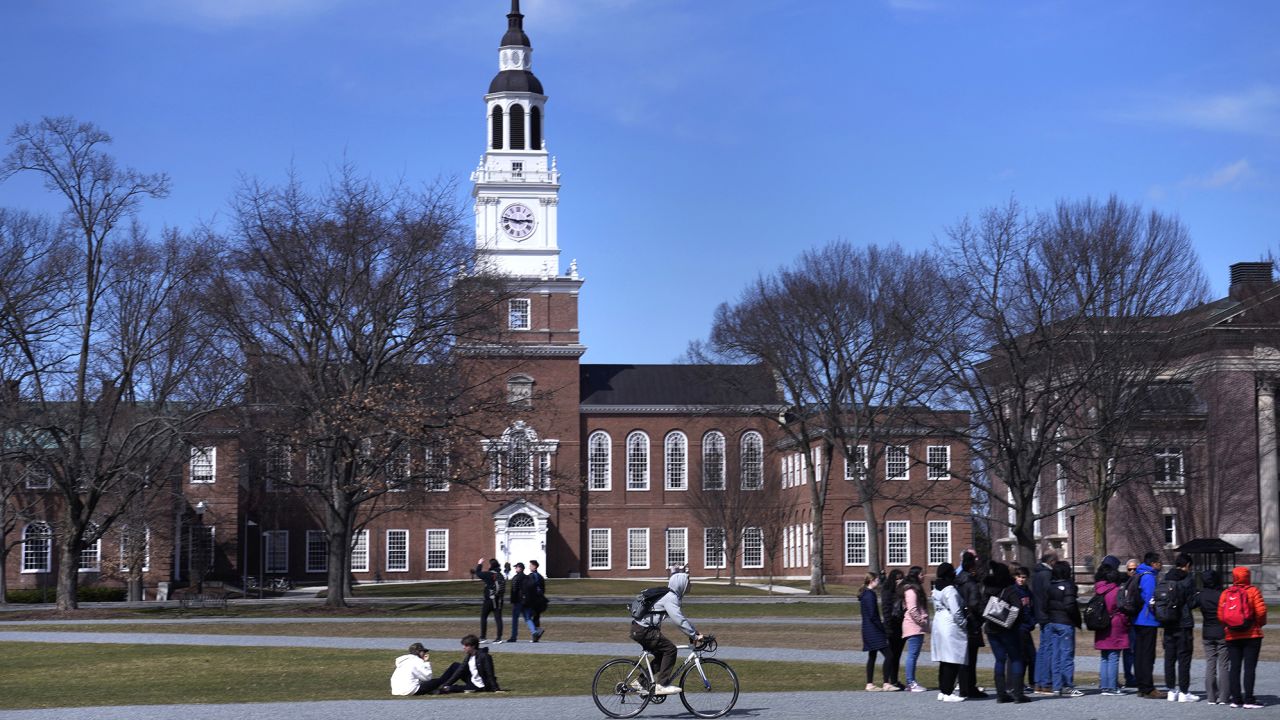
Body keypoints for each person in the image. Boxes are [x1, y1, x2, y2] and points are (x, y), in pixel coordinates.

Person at [631, 565, 704, 696]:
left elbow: (681, 619)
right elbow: (679, 620)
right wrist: (693, 635)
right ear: (682, 584)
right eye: (689, 582)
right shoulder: (671, 597)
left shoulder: (670, 596)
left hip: (640, 629)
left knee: (661, 656)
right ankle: (661, 685)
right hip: (644, 630)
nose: (691, 585)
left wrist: (694, 632)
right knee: (670, 650)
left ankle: (640, 682)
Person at [1219, 566, 1266, 709]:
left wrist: (1229, 625)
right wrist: (1258, 624)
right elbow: (1261, 611)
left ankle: (1236, 699)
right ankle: (1249, 699)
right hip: (1252, 634)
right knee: (1249, 668)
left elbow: (1221, 615)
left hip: (1232, 635)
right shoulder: (1253, 591)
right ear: (1248, 577)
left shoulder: (1226, 593)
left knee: (1235, 667)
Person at [983, 561, 1028, 703]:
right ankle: (1018, 693)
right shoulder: (1009, 590)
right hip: (1007, 630)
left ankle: (1001, 693)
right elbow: (1017, 608)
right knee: (1016, 658)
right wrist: (1009, 623)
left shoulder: (987, 589)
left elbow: (981, 607)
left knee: (999, 660)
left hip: (991, 628)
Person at [1160, 553, 1198, 702]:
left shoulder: (1166, 577)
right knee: (1184, 658)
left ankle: (1171, 690)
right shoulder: (1188, 579)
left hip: (1168, 622)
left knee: (1169, 658)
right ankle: (1184, 691)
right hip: (1183, 623)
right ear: (1187, 565)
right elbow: (1192, 602)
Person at [930, 562, 968, 702]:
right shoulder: (950, 589)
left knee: (944, 660)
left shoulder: (936, 587)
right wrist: (964, 623)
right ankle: (948, 692)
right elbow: (956, 610)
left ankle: (943, 690)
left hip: (939, 622)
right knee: (952, 659)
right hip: (950, 624)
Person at [953, 551, 987, 698]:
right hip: (971, 622)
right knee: (971, 657)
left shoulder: (957, 580)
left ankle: (964, 687)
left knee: (962, 657)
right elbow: (974, 604)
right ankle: (970, 687)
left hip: (961, 621)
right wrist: (982, 617)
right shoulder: (971, 583)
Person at [1093, 565, 1129, 697]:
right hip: (1115, 624)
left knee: (1104, 657)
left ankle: (1105, 686)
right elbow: (1121, 608)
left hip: (1102, 623)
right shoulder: (1116, 590)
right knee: (1114, 656)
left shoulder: (1098, 589)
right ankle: (1112, 687)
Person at [425, 634, 502, 694]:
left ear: (473, 646)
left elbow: (490, 674)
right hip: (472, 679)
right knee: (455, 666)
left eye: (466, 645)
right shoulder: (469, 655)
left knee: (453, 688)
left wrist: (496, 689)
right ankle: (438, 684)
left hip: (479, 686)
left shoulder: (485, 656)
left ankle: (441, 688)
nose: (463, 647)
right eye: (463, 645)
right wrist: (446, 683)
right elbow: (459, 671)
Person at [1132, 552, 1163, 699]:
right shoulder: (1149, 577)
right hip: (1147, 620)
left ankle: (1141, 685)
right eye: (1159, 562)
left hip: (1138, 619)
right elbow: (1150, 599)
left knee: (1139, 654)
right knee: (1147, 655)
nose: (1161, 564)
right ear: (1153, 564)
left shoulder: (1139, 574)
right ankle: (1148, 687)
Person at [1196, 569, 1229, 705]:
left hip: (1207, 631)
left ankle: (1211, 696)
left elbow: (1190, 604)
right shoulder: (1222, 594)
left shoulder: (1201, 595)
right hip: (1222, 631)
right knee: (1224, 665)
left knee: (1210, 664)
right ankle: (1224, 696)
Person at [899, 566, 930, 692]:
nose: (923, 576)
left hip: (916, 626)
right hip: (913, 626)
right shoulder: (911, 591)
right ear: (916, 575)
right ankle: (911, 682)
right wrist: (921, 621)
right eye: (921, 574)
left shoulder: (915, 590)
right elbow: (912, 610)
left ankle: (911, 681)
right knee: (912, 655)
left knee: (914, 655)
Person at [1030, 551, 1057, 694]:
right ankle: (1046, 682)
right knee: (1048, 649)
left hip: (1040, 614)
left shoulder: (1036, 574)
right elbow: (1048, 595)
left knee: (1042, 650)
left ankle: (1038, 682)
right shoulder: (1047, 574)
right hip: (1047, 615)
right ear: (1051, 561)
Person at [858, 572, 890, 692]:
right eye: (877, 580)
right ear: (871, 581)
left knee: (872, 656)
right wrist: (882, 628)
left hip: (867, 628)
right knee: (889, 655)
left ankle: (869, 683)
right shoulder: (870, 595)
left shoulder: (865, 593)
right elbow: (872, 615)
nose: (878, 582)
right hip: (873, 630)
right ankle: (886, 682)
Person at [1011, 566, 1037, 696]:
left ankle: (1032, 681)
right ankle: (1018, 683)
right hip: (1018, 628)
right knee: (1022, 657)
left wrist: (1032, 621)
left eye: (1023, 577)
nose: (1021, 579)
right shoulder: (1013, 591)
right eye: (1019, 577)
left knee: (1032, 657)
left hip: (1026, 627)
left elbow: (1031, 608)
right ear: (1015, 577)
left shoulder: (1027, 591)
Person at [880, 568, 906, 691]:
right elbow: (886, 610)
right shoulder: (887, 591)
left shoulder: (901, 592)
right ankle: (887, 680)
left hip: (900, 626)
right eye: (898, 578)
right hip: (891, 626)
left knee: (897, 655)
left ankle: (894, 680)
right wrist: (888, 628)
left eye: (901, 578)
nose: (900, 581)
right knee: (890, 655)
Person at [472, 558, 505, 643]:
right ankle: (499, 637)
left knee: (484, 617)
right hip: (498, 600)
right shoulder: (500, 575)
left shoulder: (489, 574)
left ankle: (483, 637)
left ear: (491, 566)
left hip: (489, 600)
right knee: (498, 618)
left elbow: (478, 573)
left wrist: (479, 564)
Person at [1122, 558, 1139, 689]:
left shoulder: (1140, 581)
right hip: (1127, 620)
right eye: (1130, 569)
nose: (1132, 571)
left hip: (1137, 619)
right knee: (1129, 649)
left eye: (1135, 569)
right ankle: (1129, 675)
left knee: (1136, 649)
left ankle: (1135, 675)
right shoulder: (1124, 583)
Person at [524, 559, 547, 641]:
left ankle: (536, 633)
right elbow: (543, 589)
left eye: (530, 565)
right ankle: (536, 637)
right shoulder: (540, 576)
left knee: (528, 617)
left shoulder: (531, 576)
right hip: (540, 600)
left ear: (534, 566)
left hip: (533, 600)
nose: (529, 567)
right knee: (536, 617)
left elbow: (529, 588)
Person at [506, 562, 528, 643]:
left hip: (517, 600)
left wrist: (513, 600)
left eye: (516, 567)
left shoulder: (516, 577)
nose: (515, 568)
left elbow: (514, 590)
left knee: (515, 619)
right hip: (525, 600)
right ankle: (535, 632)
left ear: (520, 568)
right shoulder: (526, 577)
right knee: (527, 618)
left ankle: (513, 636)